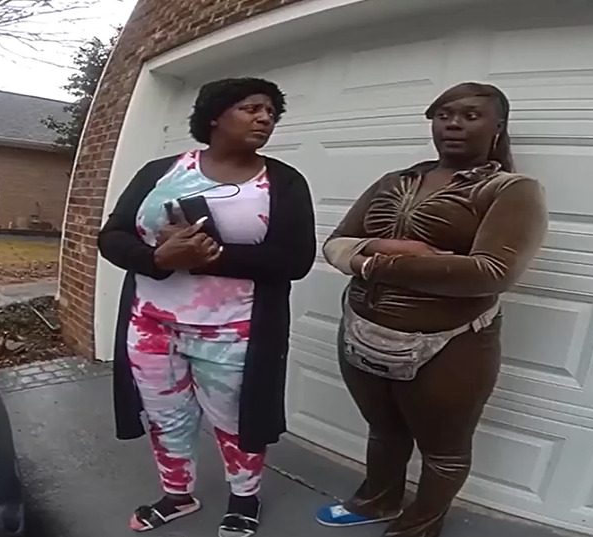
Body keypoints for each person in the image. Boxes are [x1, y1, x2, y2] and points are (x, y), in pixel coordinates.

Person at [316, 82, 548, 537]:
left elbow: (492, 272)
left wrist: (366, 260)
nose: (454, 124)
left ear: (498, 127)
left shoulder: (512, 189)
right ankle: (377, 499)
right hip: (361, 330)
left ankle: (418, 527)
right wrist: (396, 250)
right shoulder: (396, 179)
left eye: (470, 115)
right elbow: (334, 244)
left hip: (450, 344)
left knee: (444, 449)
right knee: (384, 430)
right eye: (443, 115)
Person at [98, 77, 316, 536]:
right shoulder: (161, 171)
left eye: (271, 113)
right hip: (152, 325)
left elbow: (295, 259)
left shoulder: (283, 181)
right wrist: (156, 258)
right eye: (251, 108)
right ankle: (178, 494)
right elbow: (112, 235)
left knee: (237, 422)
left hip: (236, 331)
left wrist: (207, 256)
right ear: (215, 115)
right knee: (165, 416)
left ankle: (243, 499)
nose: (264, 118)